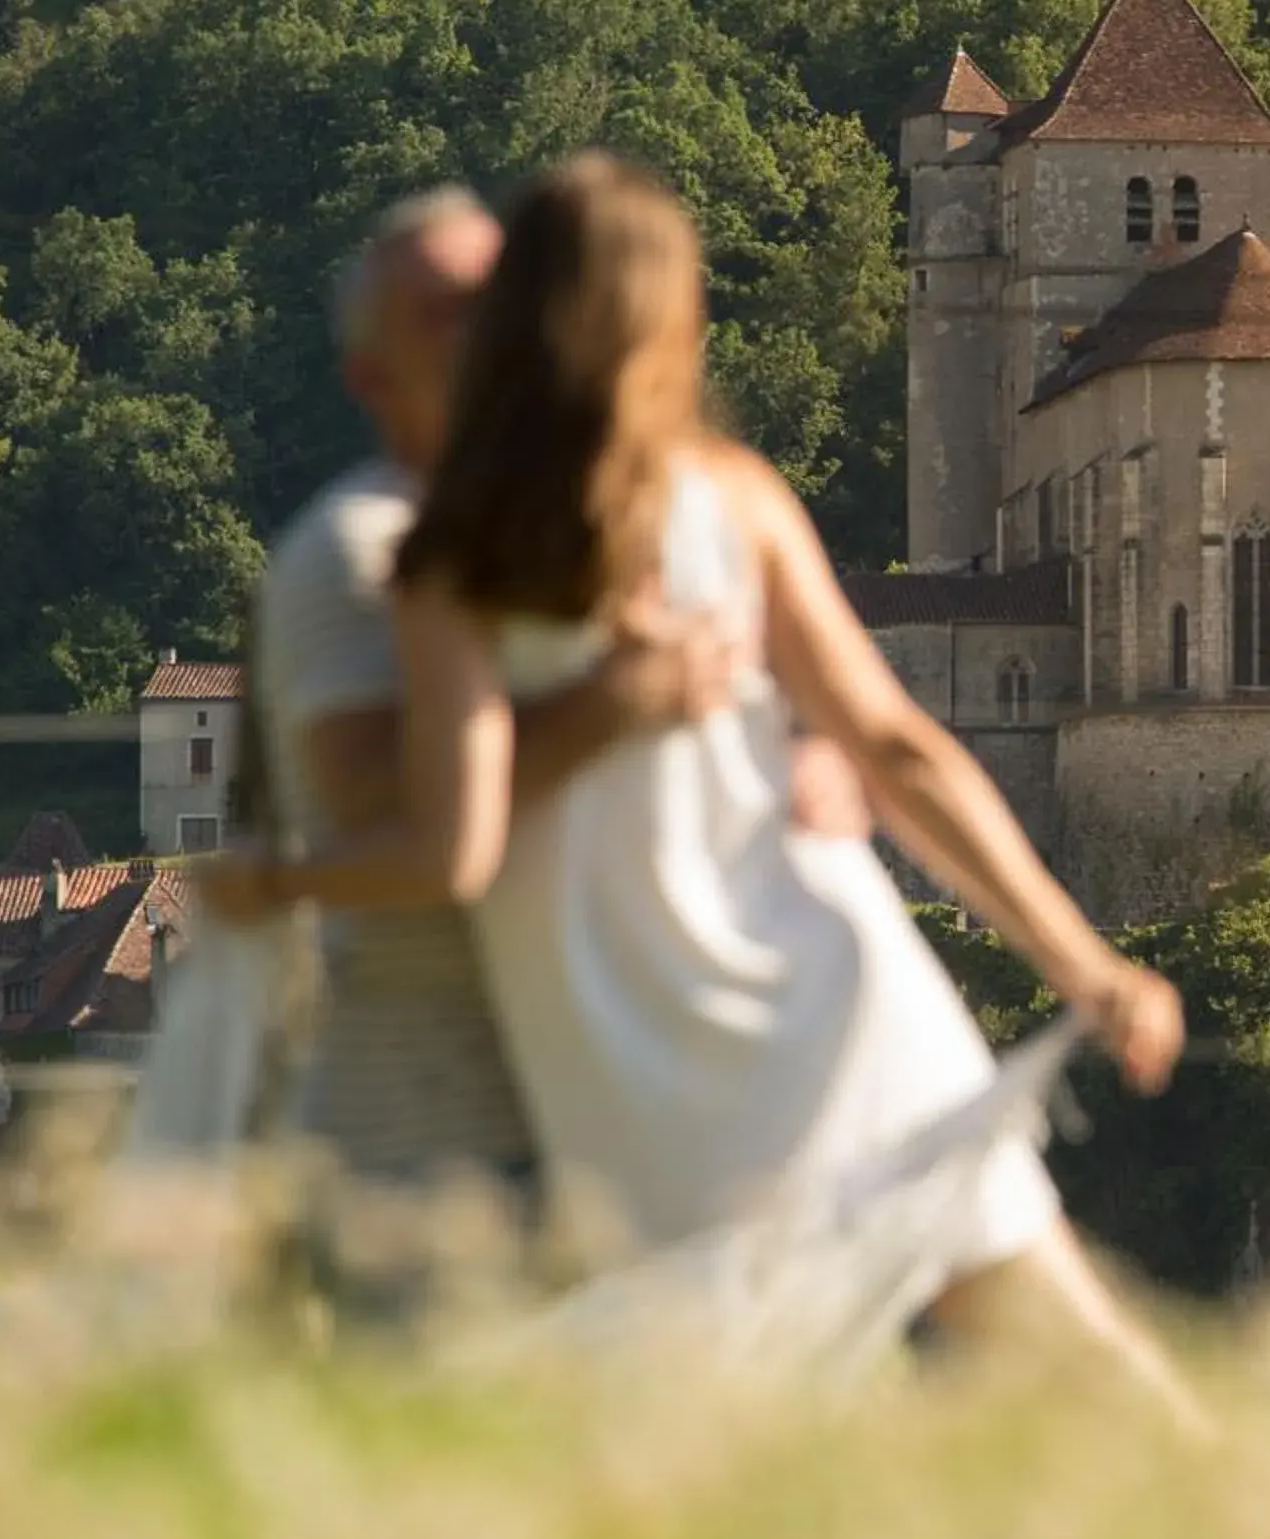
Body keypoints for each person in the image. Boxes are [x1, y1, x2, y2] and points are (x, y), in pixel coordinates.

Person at [206, 157, 1194, 1409]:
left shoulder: (450, 559)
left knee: (716, 1420)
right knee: (1075, 1355)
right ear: (676, 324)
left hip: (630, 1059)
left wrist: (266, 879)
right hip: (835, 982)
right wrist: (1085, 963)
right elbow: (903, 749)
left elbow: (450, 851)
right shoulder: (734, 498)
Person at [245, 186, 868, 1192]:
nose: (490, 331)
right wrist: (620, 704)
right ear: (370, 376)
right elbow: (387, 817)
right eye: (442, 313)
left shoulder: (591, 523)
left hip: (607, 1087)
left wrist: (792, 762)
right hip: (430, 1124)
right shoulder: (358, 551)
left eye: (504, 296)